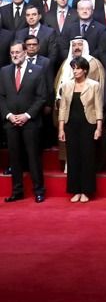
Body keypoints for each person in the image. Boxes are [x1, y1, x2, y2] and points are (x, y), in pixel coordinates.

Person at [1, 41, 47, 202]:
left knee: (33, 157)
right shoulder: (4, 71)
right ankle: (17, 191)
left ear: (25, 52)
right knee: (14, 158)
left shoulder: (38, 70)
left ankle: (39, 190)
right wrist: (8, 115)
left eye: (17, 52)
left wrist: (27, 115)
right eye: (12, 52)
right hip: (11, 122)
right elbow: (1, 97)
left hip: (30, 123)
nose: (15, 55)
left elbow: (41, 97)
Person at [58, 57, 103, 202]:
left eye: (78, 68)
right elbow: (63, 108)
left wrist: (99, 128)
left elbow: (98, 107)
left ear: (85, 70)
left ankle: (86, 191)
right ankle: (75, 190)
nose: (75, 71)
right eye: (74, 68)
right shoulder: (66, 85)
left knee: (87, 157)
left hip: (88, 125)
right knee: (73, 158)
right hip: (71, 126)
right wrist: (61, 129)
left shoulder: (94, 85)